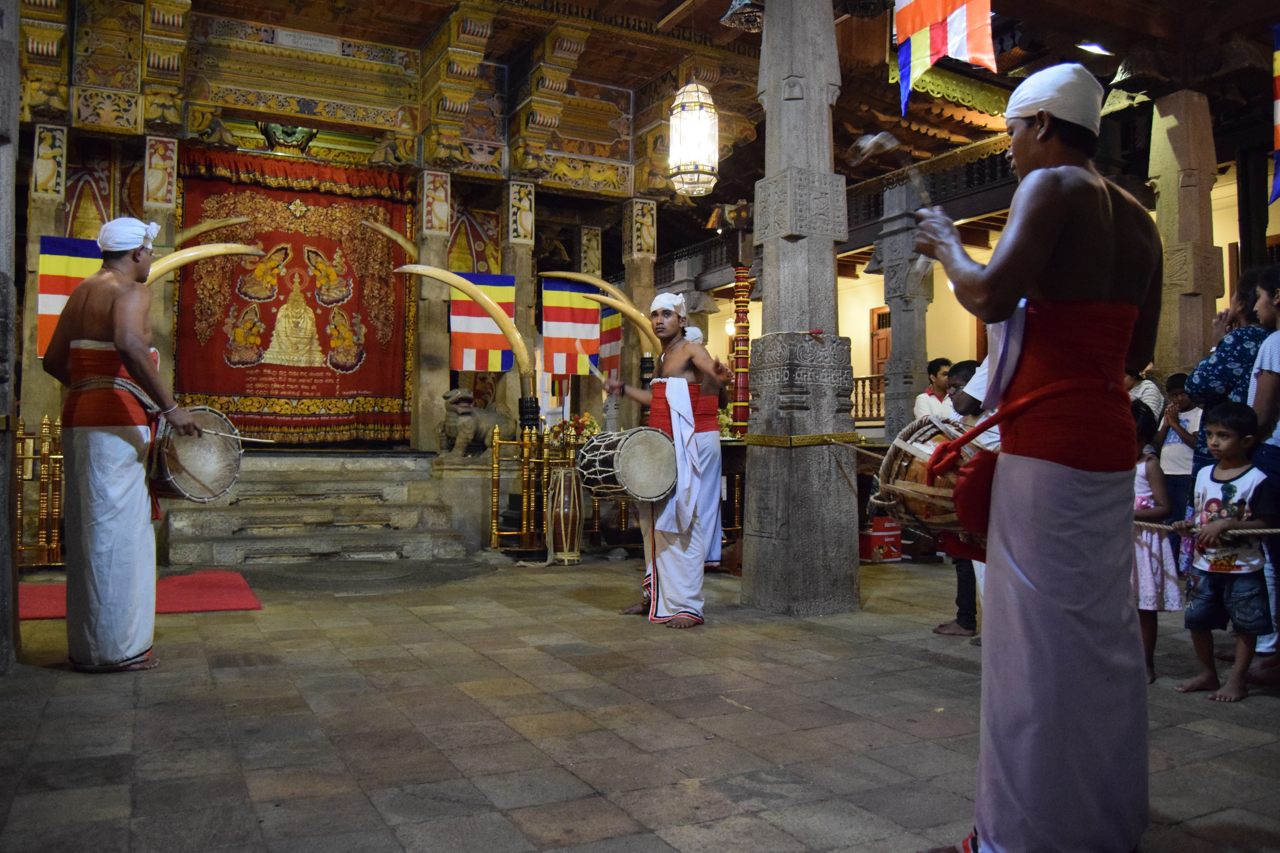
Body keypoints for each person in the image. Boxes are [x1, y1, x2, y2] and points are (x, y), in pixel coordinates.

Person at [914, 63, 1161, 853]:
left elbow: (986, 295)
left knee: (1032, 650)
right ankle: (1103, 819)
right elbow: (1142, 348)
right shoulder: (1142, 219)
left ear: (1045, 126)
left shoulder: (1053, 189)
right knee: (1102, 639)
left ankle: (1026, 834)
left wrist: (950, 246)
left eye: (1014, 132)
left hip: (1047, 445)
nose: (1012, 150)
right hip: (1105, 438)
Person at [42, 218, 200, 673]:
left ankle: (90, 647)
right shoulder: (130, 290)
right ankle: (119, 650)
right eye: (149, 253)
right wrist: (168, 407)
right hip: (116, 425)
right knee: (120, 539)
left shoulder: (81, 292)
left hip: (81, 419)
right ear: (137, 253)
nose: (150, 261)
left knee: (91, 534)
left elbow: (54, 360)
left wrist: (93, 386)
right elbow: (129, 343)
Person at [606, 294, 730, 628]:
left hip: (685, 446)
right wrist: (623, 389)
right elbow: (654, 397)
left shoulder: (691, 350)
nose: (658, 320)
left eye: (666, 315)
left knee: (683, 521)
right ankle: (655, 594)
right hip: (663, 448)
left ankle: (689, 605)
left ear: (682, 321)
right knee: (653, 524)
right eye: (654, 315)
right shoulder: (664, 357)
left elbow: (715, 382)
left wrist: (721, 376)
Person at [1173, 402, 1277, 702]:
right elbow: (1201, 516)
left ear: (1246, 441)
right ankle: (1207, 673)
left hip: (1243, 567)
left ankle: (1237, 680)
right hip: (1204, 565)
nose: (1214, 442)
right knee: (1197, 620)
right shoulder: (1204, 473)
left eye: (1223, 435)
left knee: (1246, 626)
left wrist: (1228, 524)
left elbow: (1267, 523)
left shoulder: (1257, 480)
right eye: (1209, 435)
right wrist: (1187, 526)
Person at [1244, 265, 1280, 679]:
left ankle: (1269, 645)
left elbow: (1264, 412)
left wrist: (1245, 443)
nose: (1256, 307)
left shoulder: (1273, 343)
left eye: (1260, 297)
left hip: (1273, 454)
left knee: (1269, 555)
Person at [1131, 400, 1182, 684]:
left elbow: (1165, 507)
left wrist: (1132, 513)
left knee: (1144, 608)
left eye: (1136, 441)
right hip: (1116, 544)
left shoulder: (1148, 466)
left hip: (1142, 543)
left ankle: (1146, 662)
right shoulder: (1111, 465)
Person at [932, 359, 981, 638]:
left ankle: (977, 623)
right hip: (968, 501)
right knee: (963, 559)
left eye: (957, 389)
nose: (952, 396)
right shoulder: (962, 419)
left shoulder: (990, 420)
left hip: (987, 505)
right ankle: (966, 619)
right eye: (949, 389)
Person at [680, 326, 724, 569]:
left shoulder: (689, 366)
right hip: (711, 435)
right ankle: (708, 554)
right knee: (708, 496)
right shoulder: (711, 367)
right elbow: (724, 401)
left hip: (693, 434)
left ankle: (692, 554)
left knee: (689, 497)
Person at [1156, 372, 1202, 554]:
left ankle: (1184, 561)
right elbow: (1157, 443)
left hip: (1185, 473)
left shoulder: (1199, 414)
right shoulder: (1168, 415)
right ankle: (1171, 561)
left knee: (1183, 519)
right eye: (1175, 395)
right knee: (1169, 521)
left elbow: (1195, 443)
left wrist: (1175, 424)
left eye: (1183, 393)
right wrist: (1167, 424)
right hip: (1166, 472)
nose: (1179, 398)